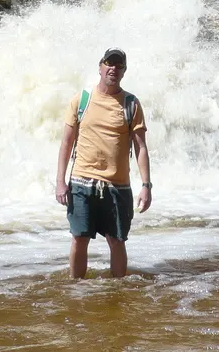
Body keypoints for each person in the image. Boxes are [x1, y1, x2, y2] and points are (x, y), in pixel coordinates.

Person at [55, 48, 152, 278]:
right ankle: (75, 289)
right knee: (79, 238)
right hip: (81, 182)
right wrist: (60, 182)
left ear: (124, 72)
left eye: (119, 66)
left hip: (117, 186)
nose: (114, 69)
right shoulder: (82, 100)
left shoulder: (131, 104)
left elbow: (141, 147)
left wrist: (146, 186)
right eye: (110, 63)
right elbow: (66, 144)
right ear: (100, 67)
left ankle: (118, 291)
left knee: (116, 240)